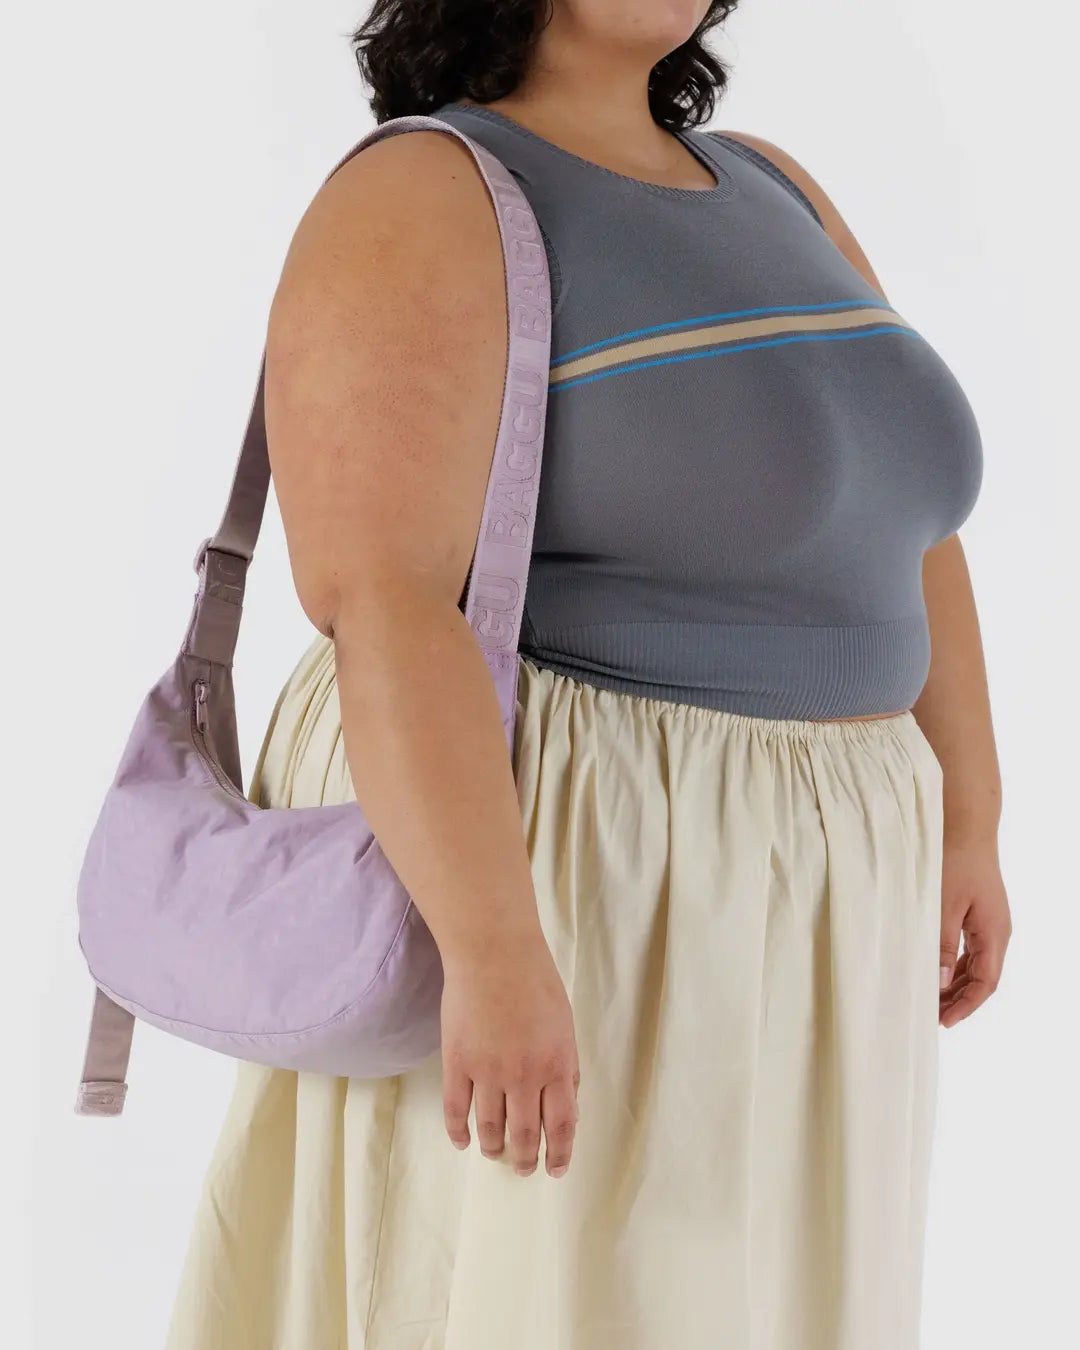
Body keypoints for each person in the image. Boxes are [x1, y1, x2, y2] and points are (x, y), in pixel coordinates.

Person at [165, 3, 1011, 1348]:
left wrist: (970, 816)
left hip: (816, 916)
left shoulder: (779, 186)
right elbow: (386, 607)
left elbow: (907, 521)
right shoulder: (422, 194)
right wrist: (493, 950)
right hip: (586, 882)